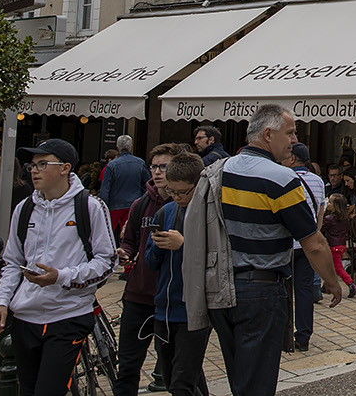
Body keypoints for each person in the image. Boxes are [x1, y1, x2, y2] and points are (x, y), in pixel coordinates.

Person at [203, 105, 343, 396]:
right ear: (268, 135)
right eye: (290, 133)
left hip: (220, 287)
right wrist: (331, 282)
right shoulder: (281, 179)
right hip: (261, 288)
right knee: (258, 382)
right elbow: (313, 243)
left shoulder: (217, 172)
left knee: (239, 377)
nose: (293, 141)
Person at [0, 139, 116, 396]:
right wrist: (0, 302)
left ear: (65, 168)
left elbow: (107, 261)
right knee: (29, 390)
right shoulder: (24, 210)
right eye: (32, 165)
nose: (33, 170)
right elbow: (12, 261)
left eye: (42, 164)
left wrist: (60, 277)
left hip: (67, 316)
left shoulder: (90, 207)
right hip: (25, 318)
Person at [115, 144, 180, 396]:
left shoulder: (185, 206)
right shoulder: (141, 204)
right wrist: (125, 252)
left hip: (171, 299)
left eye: (164, 166)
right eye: (154, 166)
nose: (157, 172)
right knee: (128, 367)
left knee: (179, 370)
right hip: (138, 295)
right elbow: (130, 239)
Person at [144, 152, 211, 396]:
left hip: (193, 310)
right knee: (175, 377)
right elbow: (150, 262)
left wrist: (184, 244)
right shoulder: (165, 212)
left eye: (183, 192)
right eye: (172, 192)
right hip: (164, 309)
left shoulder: (209, 213)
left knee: (183, 382)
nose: (178, 197)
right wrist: (156, 245)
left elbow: (214, 259)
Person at [288, 142, 326, 350]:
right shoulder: (318, 182)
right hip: (307, 244)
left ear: (292, 159)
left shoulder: (284, 178)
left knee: (283, 289)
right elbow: (320, 215)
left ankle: (282, 333)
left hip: (287, 244)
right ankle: (303, 336)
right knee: (303, 291)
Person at [101, 135, 150, 238]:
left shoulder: (112, 165)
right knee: (127, 234)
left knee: (108, 233)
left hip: (114, 205)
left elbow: (105, 189)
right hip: (133, 203)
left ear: (117, 147)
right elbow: (147, 184)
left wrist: (103, 206)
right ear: (131, 146)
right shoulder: (140, 163)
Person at [320, 193, 356, 297]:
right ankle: (325, 286)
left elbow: (322, 228)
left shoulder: (329, 219)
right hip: (341, 245)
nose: (328, 204)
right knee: (331, 266)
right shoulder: (344, 218)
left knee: (337, 268)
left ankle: (351, 284)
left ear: (335, 206)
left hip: (333, 246)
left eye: (330, 202)